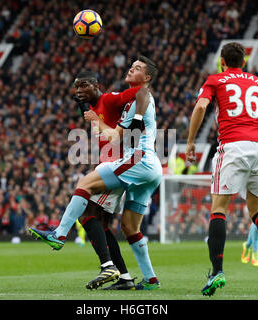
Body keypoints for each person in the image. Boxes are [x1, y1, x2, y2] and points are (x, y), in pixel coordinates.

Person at [30, 55, 162, 290]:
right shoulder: (130, 101)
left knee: (85, 185)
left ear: (147, 77)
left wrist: (95, 120)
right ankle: (149, 279)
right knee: (129, 228)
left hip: (137, 160)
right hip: (150, 167)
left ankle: (60, 234)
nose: (131, 69)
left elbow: (115, 133)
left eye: (138, 68)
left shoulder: (136, 98)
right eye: (131, 66)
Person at [185, 42, 258, 296]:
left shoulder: (216, 80)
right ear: (244, 62)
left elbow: (200, 107)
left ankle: (217, 272)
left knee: (219, 208)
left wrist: (190, 142)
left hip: (233, 146)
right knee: (257, 210)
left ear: (222, 61)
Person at [71, 70, 144, 290]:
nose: (79, 90)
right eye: (76, 87)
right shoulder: (93, 109)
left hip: (118, 167)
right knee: (100, 223)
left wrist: (138, 118)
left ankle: (108, 266)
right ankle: (124, 278)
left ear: (95, 84)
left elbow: (140, 92)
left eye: (83, 86)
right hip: (110, 165)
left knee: (86, 214)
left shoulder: (109, 99)